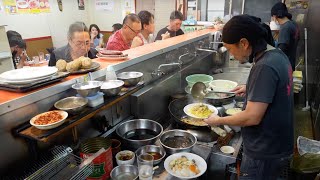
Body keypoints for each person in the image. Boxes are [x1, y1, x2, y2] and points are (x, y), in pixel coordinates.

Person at [204, 15, 293, 179]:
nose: (231, 55)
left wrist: (218, 121)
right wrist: (250, 87)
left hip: (264, 153)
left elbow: (252, 117)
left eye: (230, 49)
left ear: (244, 43)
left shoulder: (264, 66)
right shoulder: (276, 54)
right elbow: (277, 87)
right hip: (277, 146)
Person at [271, 2, 300, 70]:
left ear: (275, 16)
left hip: (284, 67)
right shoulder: (294, 24)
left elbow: (281, 50)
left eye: (272, 17)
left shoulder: (285, 28)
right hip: (290, 64)